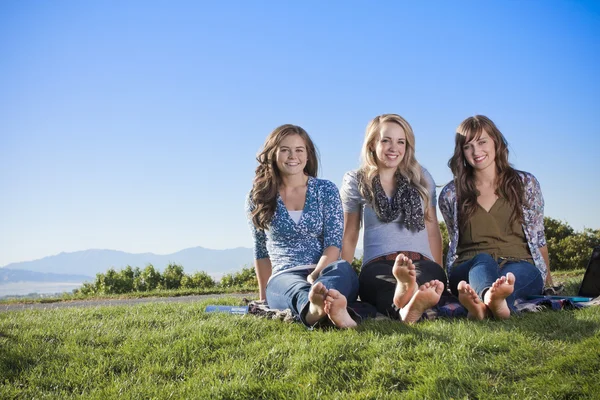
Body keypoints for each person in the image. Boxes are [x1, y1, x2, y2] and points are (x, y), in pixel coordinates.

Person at [439, 115, 553, 320]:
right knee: (482, 260)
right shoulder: (450, 194)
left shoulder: (525, 184)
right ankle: (489, 299)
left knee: (509, 280)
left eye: (482, 142)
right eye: (468, 146)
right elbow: (452, 238)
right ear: (461, 152)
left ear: (496, 142)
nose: (476, 151)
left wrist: (549, 280)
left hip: (519, 263)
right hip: (469, 266)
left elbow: (538, 236)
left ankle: (487, 307)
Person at [246, 124, 359, 328]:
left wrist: (317, 275)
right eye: (285, 150)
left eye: (299, 150)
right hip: (284, 277)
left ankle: (327, 302)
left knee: (342, 269)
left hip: (326, 270)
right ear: (273, 154)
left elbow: (334, 244)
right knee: (295, 289)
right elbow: (261, 251)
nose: (293, 156)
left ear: (308, 155)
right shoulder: (259, 197)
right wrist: (264, 298)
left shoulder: (326, 190)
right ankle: (315, 309)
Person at [340, 114, 451, 323]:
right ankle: (408, 300)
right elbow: (350, 234)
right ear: (372, 143)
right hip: (378, 264)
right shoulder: (356, 180)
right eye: (386, 140)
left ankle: (406, 301)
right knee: (380, 284)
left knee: (424, 277)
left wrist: (439, 269)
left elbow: (432, 228)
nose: (394, 148)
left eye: (401, 141)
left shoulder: (422, 177)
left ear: (407, 146)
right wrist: (344, 278)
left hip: (422, 261)